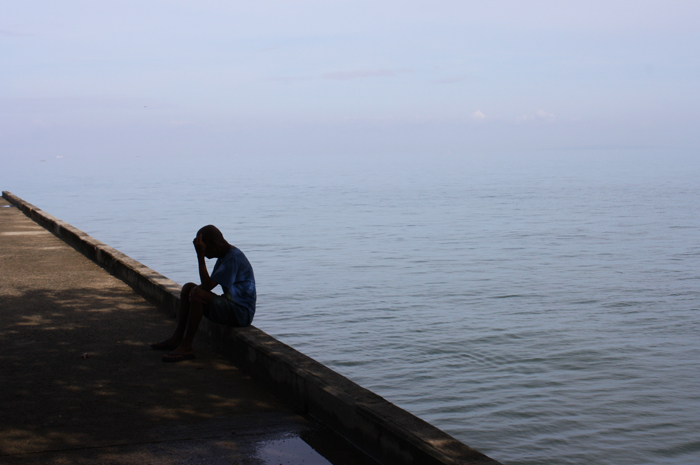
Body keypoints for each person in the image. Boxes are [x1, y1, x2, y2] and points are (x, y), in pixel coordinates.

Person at [151, 225, 256, 362]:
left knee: (198, 295)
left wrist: (200, 257)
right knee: (188, 288)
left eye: (205, 249)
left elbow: (207, 285)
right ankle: (177, 338)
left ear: (214, 244)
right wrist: (194, 290)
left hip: (241, 313)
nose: (204, 253)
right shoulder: (224, 257)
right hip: (231, 307)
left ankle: (187, 346)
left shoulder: (233, 258)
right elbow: (207, 285)